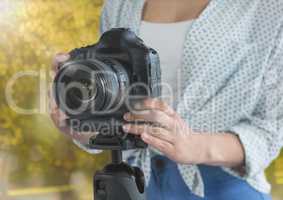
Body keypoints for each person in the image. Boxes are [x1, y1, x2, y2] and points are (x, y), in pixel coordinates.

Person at [50, 0, 283, 199]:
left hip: (222, 185)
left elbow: (270, 130)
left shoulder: (268, 8)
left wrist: (194, 145)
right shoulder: (119, 5)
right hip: (134, 182)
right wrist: (78, 120)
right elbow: (115, 104)